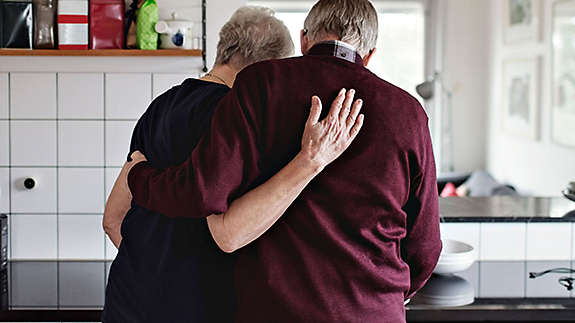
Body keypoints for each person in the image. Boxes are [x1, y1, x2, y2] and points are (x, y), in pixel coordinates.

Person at [127, 1, 442, 322]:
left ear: (304, 39)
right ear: (371, 54)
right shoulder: (409, 114)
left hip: (275, 309)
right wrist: (381, 298)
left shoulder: (258, 83)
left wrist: (138, 177)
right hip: (373, 313)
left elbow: (203, 193)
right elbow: (425, 247)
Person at [102, 6, 364, 323]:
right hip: (202, 308)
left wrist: (151, 275)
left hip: (128, 301)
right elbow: (236, 229)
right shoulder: (239, 120)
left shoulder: (159, 107)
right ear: (269, 68)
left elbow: (113, 219)